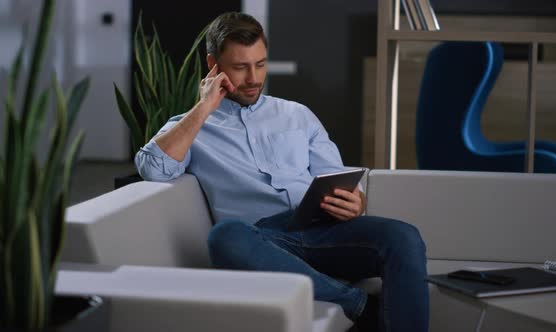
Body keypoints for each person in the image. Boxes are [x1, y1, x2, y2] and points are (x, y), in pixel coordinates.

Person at [135, 12, 428, 332]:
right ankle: (358, 305)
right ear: (213, 65)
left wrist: (355, 202)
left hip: (323, 230)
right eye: (240, 67)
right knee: (225, 236)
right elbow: (154, 168)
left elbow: (337, 176)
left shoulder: (297, 115)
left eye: (260, 64)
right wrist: (204, 107)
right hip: (262, 242)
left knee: (403, 236)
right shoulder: (191, 126)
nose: (253, 78)